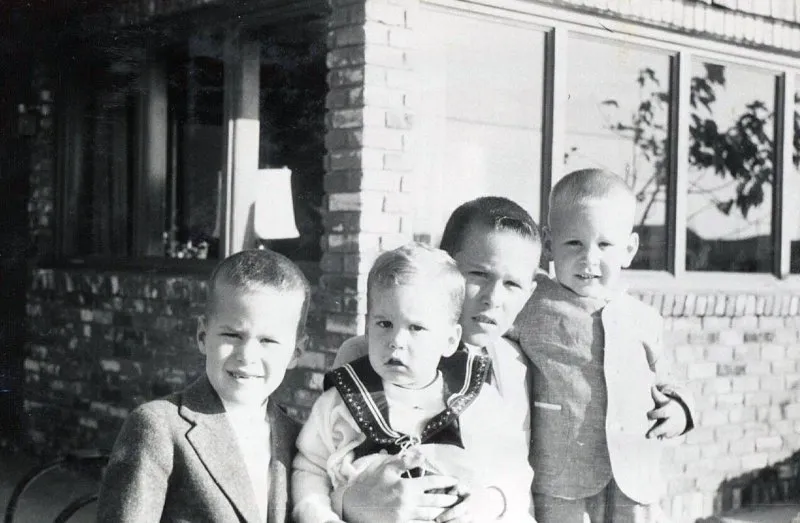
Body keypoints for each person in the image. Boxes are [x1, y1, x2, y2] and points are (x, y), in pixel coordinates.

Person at [333, 197, 543, 523]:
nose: (493, 298)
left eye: (512, 284)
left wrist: (492, 502)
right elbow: (327, 466)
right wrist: (351, 502)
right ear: (445, 268)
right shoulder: (367, 356)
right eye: (478, 274)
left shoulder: (517, 366)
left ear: (529, 292)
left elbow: (516, 480)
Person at [515, 168, 696, 523]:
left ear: (628, 250)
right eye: (574, 244)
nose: (590, 259)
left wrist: (680, 410)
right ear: (549, 245)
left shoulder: (643, 318)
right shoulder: (532, 304)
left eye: (605, 245)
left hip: (635, 474)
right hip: (563, 479)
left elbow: (668, 377)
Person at [97, 249, 310, 523]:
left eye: (268, 341)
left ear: (296, 353)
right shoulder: (159, 427)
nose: (247, 355)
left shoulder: (301, 440)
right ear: (202, 335)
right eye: (232, 335)